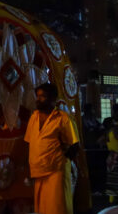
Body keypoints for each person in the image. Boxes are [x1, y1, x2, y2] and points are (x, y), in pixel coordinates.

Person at [24, 83, 80, 214]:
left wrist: (61, 159)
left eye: (42, 96)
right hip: (38, 171)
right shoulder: (33, 118)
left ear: (52, 99)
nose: (38, 99)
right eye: (37, 96)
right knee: (43, 209)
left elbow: (75, 145)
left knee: (57, 208)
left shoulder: (63, 118)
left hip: (56, 172)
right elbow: (29, 143)